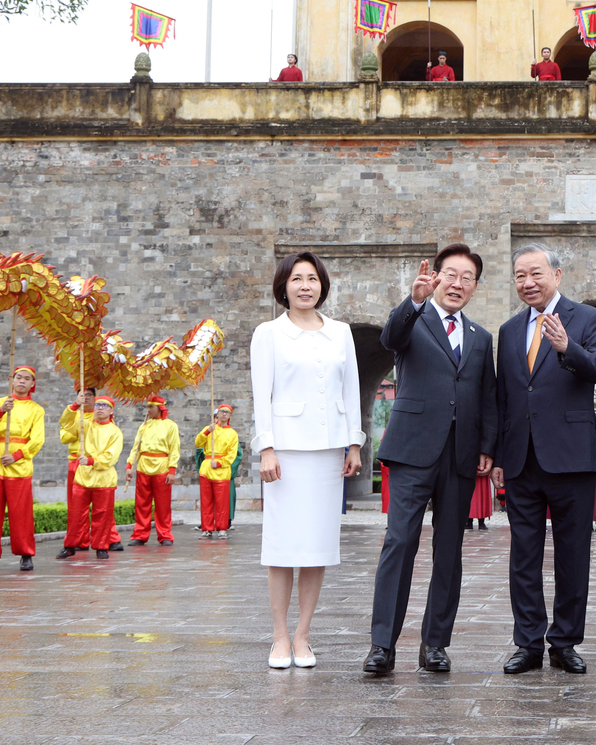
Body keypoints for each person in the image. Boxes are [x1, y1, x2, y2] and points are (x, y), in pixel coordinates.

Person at [365, 244, 496, 675]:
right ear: (436, 277)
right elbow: (389, 339)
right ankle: (383, 645)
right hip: (413, 450)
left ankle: (435, 644)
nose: (457, 284)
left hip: (459, 456)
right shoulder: (414, 319)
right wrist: (415, 300)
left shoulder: (481, 338)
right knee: (399, 542)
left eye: (467, 277)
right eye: (450, 274)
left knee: (449, 550)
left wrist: (487, 447)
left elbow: (487, 397)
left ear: (475, 286)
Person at [493, 243, 596, 675]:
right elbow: (504, 396)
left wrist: (566, 348)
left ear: (557, 275)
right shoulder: (507, 330)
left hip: (571, 459)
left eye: (536, 273)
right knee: (523, 555)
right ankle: (527, 643)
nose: (528, 282)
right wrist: (500, 453)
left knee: (573, 554)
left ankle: (564, 641)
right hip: (522, 460)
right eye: (520, 275)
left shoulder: (589, 319)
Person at [252, 251, 365, 670]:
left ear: (323, 285)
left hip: (329, 452)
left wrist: (354, 444)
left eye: (312, 279)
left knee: (317, 547)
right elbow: (261, 393)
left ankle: (303, 635)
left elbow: (350, 389)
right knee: (282, 547)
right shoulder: (269, 333)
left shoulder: (341, 333)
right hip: (285, 452)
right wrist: (266, 447)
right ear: (283, 286)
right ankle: (279, 637)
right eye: (297, 278)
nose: (305, 286)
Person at [0, 365, 45, 572]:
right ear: (12, 381)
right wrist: (0, 412)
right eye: (18, 378)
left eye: (27, 379)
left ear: (32, 384)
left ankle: (26, 554)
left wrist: (16, 455)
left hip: (20, 463)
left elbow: (37, 440)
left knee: (21, 512)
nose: (22, 381)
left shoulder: (36, 410)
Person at [57, 388, 121, 557]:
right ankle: (70, 545)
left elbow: (111, 456)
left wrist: (92, 461)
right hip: (83, 476)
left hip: (103, 478)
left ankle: (101, 547)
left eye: (104, 406)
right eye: (98, 405)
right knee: (76, 513)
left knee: (102, 514)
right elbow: (65, 423)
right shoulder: (84, 423)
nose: (100, 408)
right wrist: (76, 404)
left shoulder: (115, 432)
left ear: (111, 410)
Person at [124, 394, 180, 546]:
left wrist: (172, 470)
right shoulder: (143, 426)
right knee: (141, 503)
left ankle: (165, 535)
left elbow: (175, 448)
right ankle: (140, 534)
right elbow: (136, 448)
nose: (148, 410)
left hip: (161, 466)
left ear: (159, 408)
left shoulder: (171, 425)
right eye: (147, 406)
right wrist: (130, 466)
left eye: (151, 407)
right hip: (143, 466)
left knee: (163, 504)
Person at [196, 404, 240, 539]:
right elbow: (198, 443)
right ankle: (207, 528)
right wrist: (207, 432)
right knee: (206, 501)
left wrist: (220, 463)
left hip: (222, 471)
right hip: (207, 468)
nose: (224, 414)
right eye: (222, 411)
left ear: (230, 416)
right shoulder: (209, 429)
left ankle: (222, 528)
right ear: (218, 414)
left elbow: (232, 455)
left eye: (227, 412)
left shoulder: (232, 434)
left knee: (222, 502)